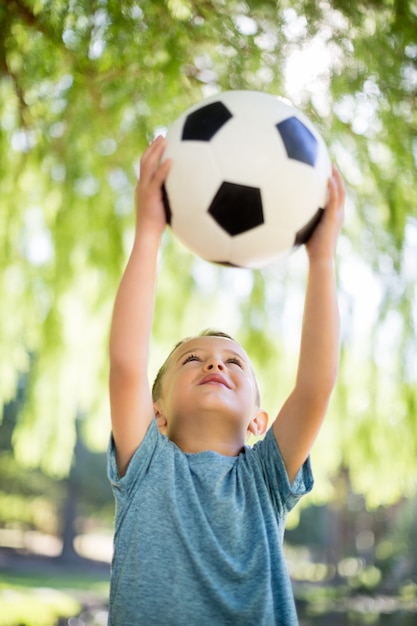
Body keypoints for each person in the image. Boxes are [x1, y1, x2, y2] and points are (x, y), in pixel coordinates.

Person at [107, 135, 345, 626]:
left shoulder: (265, 481)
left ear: (260, 420)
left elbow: (315, 385)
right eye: (192, 359)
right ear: (158, 415)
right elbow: (127, 365)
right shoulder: (148, 464)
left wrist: (322, 259)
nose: (215, 365)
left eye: (234, 364)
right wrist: (149, 231)